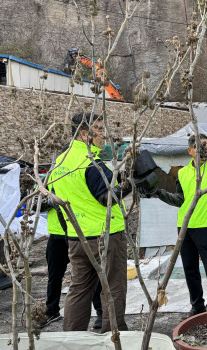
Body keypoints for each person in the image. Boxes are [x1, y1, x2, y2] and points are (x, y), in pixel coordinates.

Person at [47, 112, 141, 332]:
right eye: (98, 129)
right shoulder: (90, 162)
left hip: (77, 238)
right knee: (113, 287)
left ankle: (72, 338)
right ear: (84, 133)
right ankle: (113, 336)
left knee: (79, 289)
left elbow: (54, 198)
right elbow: (106, 198)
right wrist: (130, 184)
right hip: (105, 237)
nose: (104, 134)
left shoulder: (60, 161)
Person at [149, 133, 207, 317]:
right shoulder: (182, 173)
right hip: (184, 228)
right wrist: (159, 193)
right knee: (190, 268)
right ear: (190, 151)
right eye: (200, 146)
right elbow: (180, 200)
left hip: (206, 226)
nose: (205, 150)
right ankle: (197, 306)